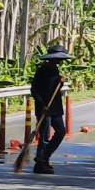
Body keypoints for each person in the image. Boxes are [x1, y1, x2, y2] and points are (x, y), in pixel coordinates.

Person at [30, 44, 70, 174]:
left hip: (55, 107)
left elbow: (54, 90)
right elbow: (34, 90)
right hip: (44, 108)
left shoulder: (55, 70)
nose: (60, 61)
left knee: (61, 131)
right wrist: (42, 105)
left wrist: (60, 83)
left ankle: (44, 156)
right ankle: (40, 164)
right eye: (59, 59)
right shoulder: (42, 70)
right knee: (44, 136)